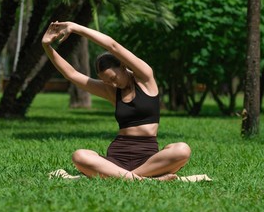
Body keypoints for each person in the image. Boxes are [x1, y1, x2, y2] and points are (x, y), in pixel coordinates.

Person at [42, 21, 191, 181]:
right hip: (117, 158)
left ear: (122, 66)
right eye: (107, 82)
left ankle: (118, 176)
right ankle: (145, 180)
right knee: (80, 156)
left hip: (147, 159)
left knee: (182, 150)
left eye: (113, 78)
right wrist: (47, 46)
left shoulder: (145, 78)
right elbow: (71, 74)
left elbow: (113, 46)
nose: (112, 84)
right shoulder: (111, 91)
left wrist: (77, 28)